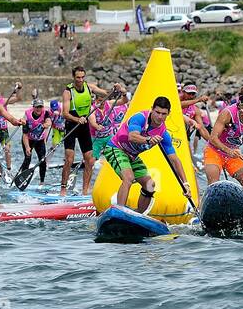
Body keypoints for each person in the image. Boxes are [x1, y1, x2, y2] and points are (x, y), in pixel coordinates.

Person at [103, 96, 192, 212]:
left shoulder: (164, 134)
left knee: (150, 185)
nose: (160, 117)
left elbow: (174, 160)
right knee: (128, 178)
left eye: (164, 114)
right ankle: (120, 211)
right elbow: (132, 137)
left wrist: (185, 183)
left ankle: (138, 215)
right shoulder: (140, 118)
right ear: (152, 109)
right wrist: (149, 139)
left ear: (168, 113)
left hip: (132, 156)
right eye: (157, 112)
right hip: (116, 148)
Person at [60, 68, 107, 197]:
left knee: (89, 160)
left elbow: (106, 93)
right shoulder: (68, 92)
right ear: (73, 77)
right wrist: (77, 119)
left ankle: (85, 191)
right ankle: (63, 190)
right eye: (78, 78)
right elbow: (65, 113)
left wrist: (117, 90)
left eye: (82, 77)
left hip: (84, 127)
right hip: (71, 125)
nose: (80, 80)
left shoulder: (89, 87)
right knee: (69, 159)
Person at [19, 97, 52, 184]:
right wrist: (27, 148)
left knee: (42, 160)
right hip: (28, 140)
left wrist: (46, 124)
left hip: (39, 140)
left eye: (40, 107)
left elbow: (49, 122)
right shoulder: (27, 115)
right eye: (37, 107)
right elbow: (25, 135)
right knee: (27, 159)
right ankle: (22, 179)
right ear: (33, 107)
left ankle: (42, 182)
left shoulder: (46, 113)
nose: (39, 109)